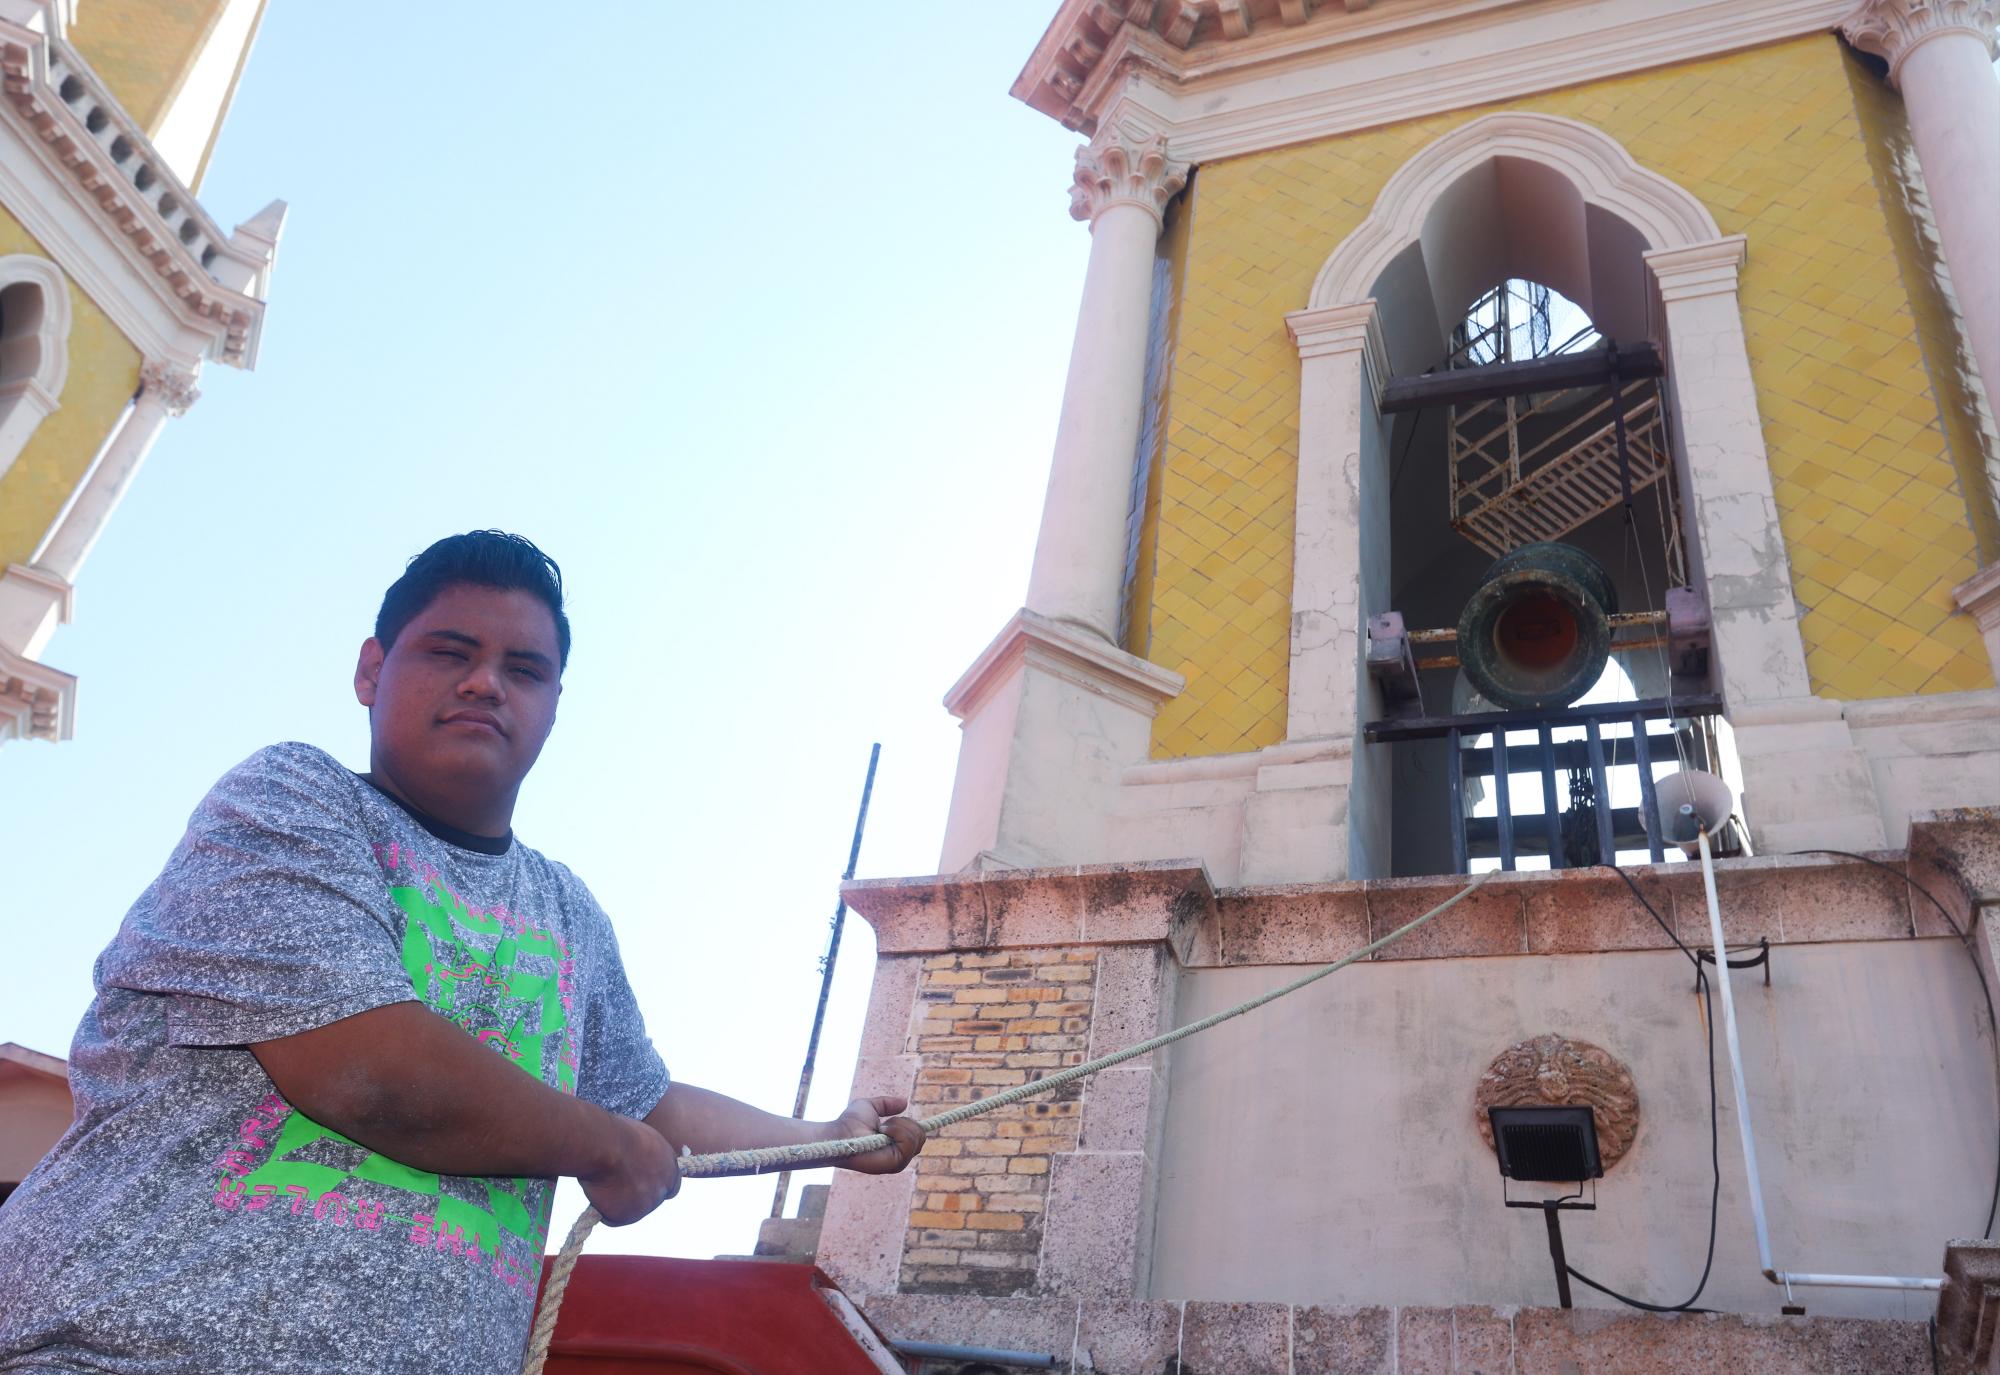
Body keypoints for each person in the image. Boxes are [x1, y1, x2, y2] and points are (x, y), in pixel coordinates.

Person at [0, 531, 925, 1375]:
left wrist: (834, 1139)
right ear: (371, 670)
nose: (487, 682)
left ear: (554, 706)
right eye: (451, 651)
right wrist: (606, 1146)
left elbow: (650, 1103)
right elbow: (368, 1067)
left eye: (525, 669)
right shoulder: (289, 801)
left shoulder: (569, 912)